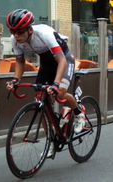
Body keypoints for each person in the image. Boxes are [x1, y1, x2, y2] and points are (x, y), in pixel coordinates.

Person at [5, 9, 86, 157]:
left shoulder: (43, 33)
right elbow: (20, 62)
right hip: (46, 63)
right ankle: (51, 140)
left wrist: (56, 84)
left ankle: (79, 112)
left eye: (20, 31)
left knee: (60, 93)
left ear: (30, 30)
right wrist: (16, 79)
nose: (16, 36)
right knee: (39, 99)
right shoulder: (14, 39)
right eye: (12, 31)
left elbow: (61, 61)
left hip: (64, 59)